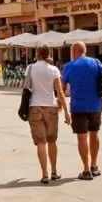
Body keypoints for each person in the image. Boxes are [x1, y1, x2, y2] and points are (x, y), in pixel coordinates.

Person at [61, 41, 102, 180]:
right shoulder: (96, 63)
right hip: (95, 105)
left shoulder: (69, 66)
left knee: (82, 137)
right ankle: (94, 165)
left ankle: (86, 169)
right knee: (94, 134)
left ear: (74, 51)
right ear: (85, 50)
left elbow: (62, 88)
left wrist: (61, 104)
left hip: (78, 107)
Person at [25, 45, 71, 185]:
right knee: (52, 140)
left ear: (37, 54)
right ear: (49, 54)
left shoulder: (30, 68)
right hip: (51, 107)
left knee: (41, 142)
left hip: (35, 107)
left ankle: (44, 174)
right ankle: (54, 171)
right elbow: (60, 92)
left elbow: (26, 88)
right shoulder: (54, 69)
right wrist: (67, 112)